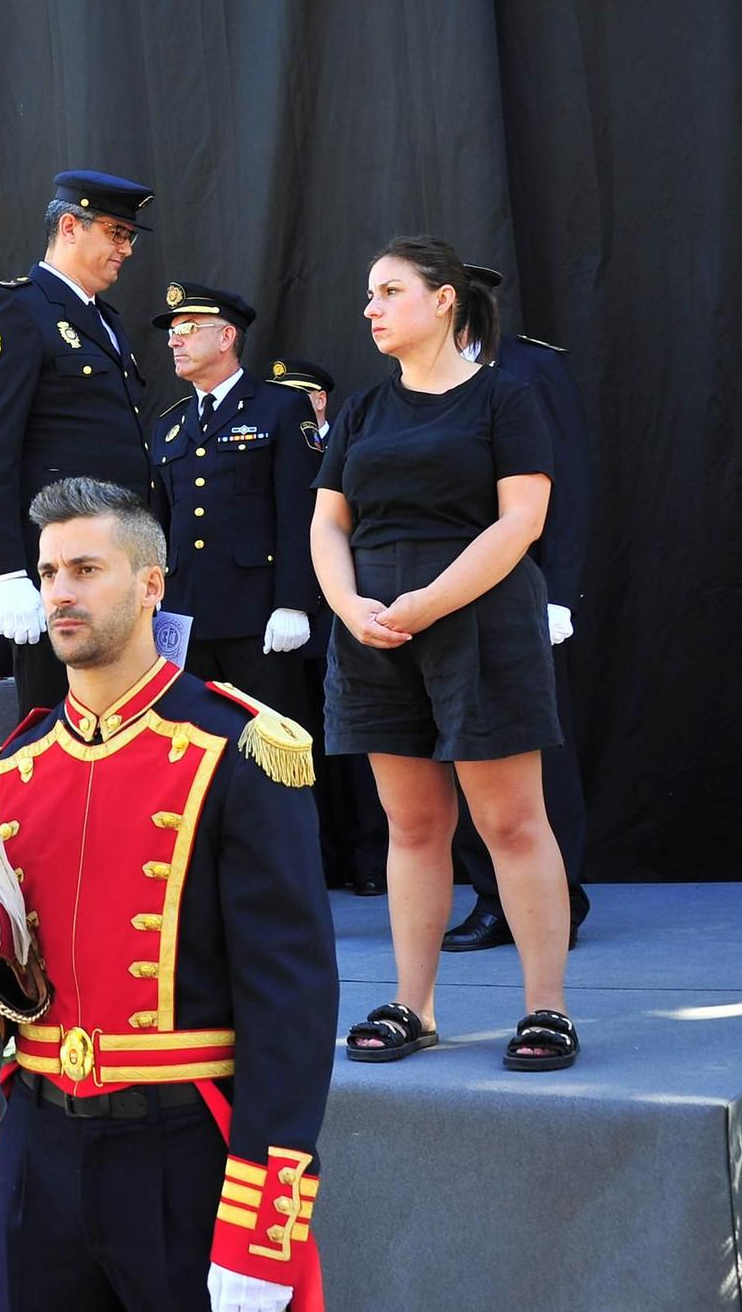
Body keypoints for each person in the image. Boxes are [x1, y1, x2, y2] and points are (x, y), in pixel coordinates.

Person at [0, 476, 335, 1312]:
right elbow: (11, 994)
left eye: (86, 568)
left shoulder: (236, 749)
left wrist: (263, 1229)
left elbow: (291, 1007)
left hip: (183, 1150)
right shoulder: (9, 770)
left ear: (152, 583)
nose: (60, 594)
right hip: (38, 1150)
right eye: (47, 573)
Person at [313, 236, 578, 1071]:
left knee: (509, 819)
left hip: (478, 624)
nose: (371, 307)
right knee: (415, 823)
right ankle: (413, 1004)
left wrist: (429, 601)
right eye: (367, 293)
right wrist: (349, 604)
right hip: (376, 631)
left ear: (444, 302)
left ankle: (548, 1008)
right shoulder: (360, 409)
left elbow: (520, 522)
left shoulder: (506, 398)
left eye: (389, 290)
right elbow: (328, 521)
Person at [0, 169, 158, 714]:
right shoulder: (18, 310)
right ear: (70, 226)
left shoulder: (107, 323)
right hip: (60, 570)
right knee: (59, 733)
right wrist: (3, 572)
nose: (127, 249)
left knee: (125, 727)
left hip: (120, 562)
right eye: (117, 233)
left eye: (130, 237)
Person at [440, 263, 594, 950]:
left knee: (535, 752)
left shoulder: (527, 369)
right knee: (463, 746)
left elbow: (567, 486)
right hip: (446, 591)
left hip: (521, 589)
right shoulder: (422, 379)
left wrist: (559, 590)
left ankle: (558, 893)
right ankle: (489, 893)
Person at [147, 282, 322, 716]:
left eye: (187, 327)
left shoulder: (279, 408)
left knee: (271, 748)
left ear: (226, 337)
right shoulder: (169, 424)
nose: (174, 339)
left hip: (257, 616)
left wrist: (294, 603)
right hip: (184, 618)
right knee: (192, 747)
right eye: (172, 331)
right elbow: (159, 524)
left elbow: (301, 511)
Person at [271, 357, 388, 898]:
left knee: (359, 749)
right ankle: (323, 858)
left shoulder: (346, 446)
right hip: (286, 619)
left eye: (301, 395)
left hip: (341, 611)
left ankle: (371, 859)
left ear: (319, 400)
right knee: (304, 745)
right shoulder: (269, 440)